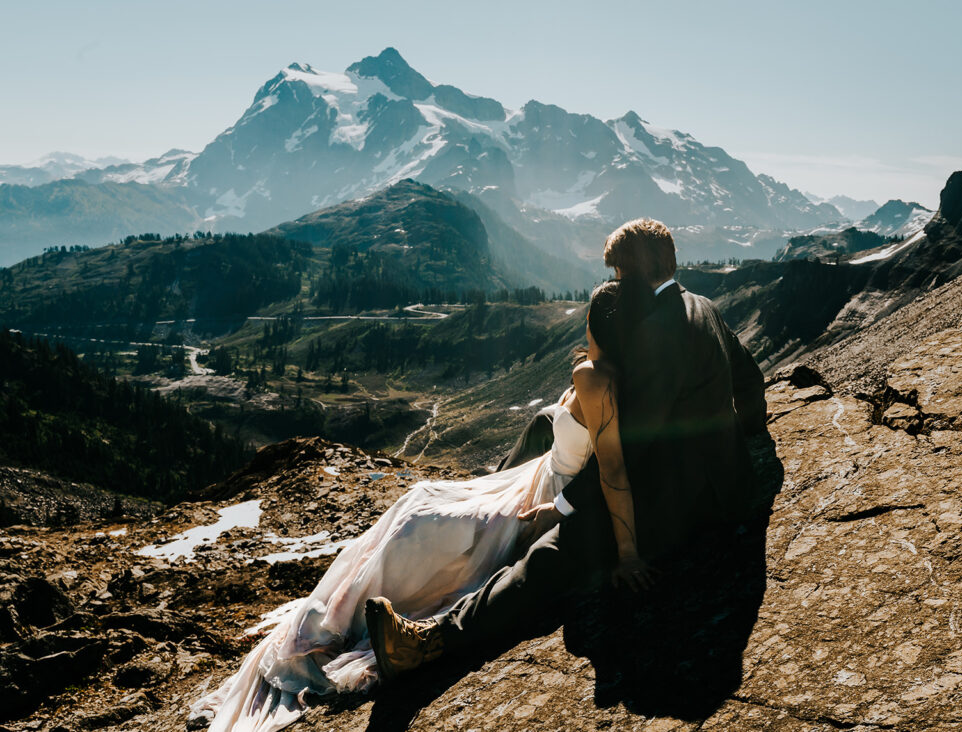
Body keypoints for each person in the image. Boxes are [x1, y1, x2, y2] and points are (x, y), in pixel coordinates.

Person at [189, 279, 653, 732]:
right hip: (531, 478)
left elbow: (612, 469)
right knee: (418, 500)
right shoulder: (608, 370)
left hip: (545, 495)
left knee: (420, 520)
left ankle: (348, 623)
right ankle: (345, 616)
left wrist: (616, 544)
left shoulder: (592, 378)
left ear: (597, 324)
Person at [366, 218, 767, 683]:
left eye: (617, 273)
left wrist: (561, 507)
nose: (616, 284)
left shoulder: (659, 331)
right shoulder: (704, 306)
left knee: (556, 551)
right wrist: (747, 438)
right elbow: (749, 378)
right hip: (722, 481)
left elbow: (630, 450)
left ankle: (431, 642)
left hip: (681, 500)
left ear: (629, 272)